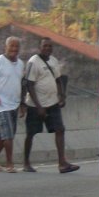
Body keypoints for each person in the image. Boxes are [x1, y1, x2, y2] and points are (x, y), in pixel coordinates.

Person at [23, 37, 79, 173]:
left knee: (60, 130)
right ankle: (26, 163)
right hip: (35, 105)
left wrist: (62, 95)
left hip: (52, 103)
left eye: (49, 46)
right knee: (31, 133)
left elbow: (58, 79)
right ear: (39, 47)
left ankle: (62, 163)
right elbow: (29, 84)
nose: (47, 48)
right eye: (45, 46)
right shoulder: (33, 62)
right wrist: (39, 107)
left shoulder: (53, 61)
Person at [0, 37, 25, 173]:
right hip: (2, 105)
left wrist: (22, 104)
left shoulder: (20, 64)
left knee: (4, 135)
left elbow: (21, 83)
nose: (14, 49)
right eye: (11, 46)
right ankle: (10, 164)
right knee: (8, 135)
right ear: (6, 47)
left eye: (16, 47)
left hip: (14, 103)